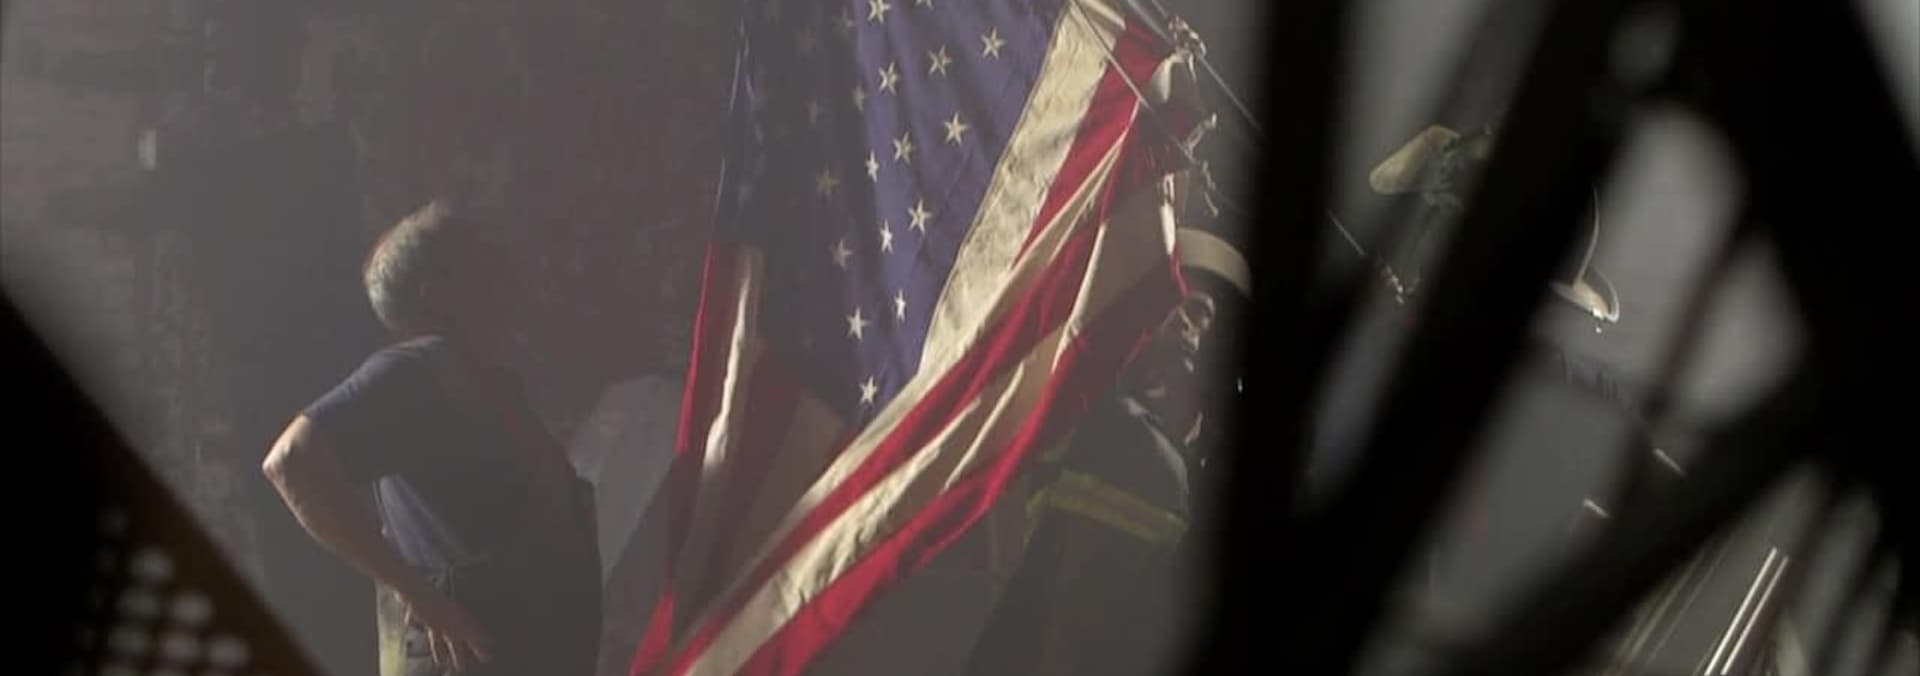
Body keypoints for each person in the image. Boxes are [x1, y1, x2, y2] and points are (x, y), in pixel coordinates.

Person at [262, 201, 600, 675]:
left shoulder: (478, 378)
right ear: (436, 295)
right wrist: (419, 594)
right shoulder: (413, 371)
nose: (502, 260)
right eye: (478, 255)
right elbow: (291, 461)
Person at [964, 226, 1247, 676]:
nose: (1179, 320)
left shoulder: (1195, 464)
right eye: (1171, 303)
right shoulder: (1131, 439)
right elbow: (1073, 620)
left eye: (1198, 311)